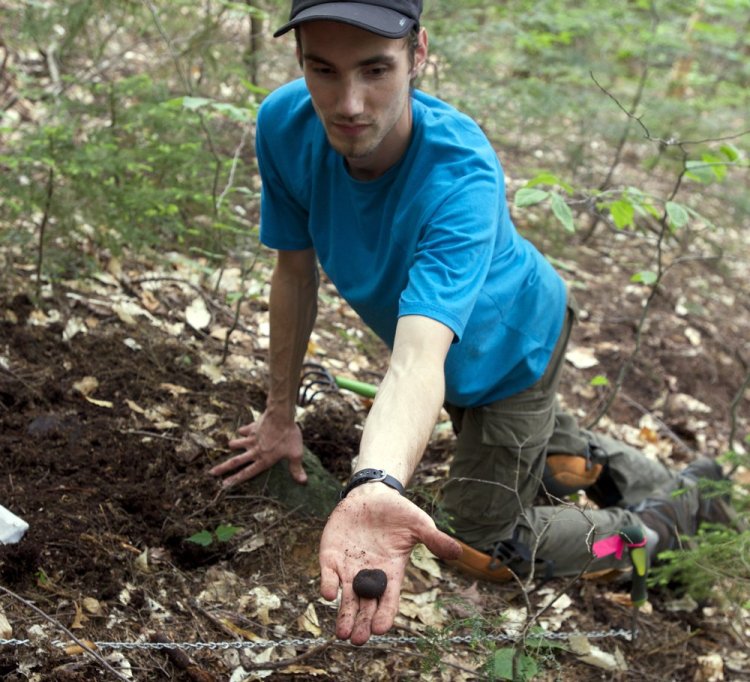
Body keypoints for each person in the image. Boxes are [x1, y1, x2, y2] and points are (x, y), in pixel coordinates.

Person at [209, 0, 732, 645]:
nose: (348, 103)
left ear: (418, 54)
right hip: (449, 360)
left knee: (487, 546)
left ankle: (642, 536)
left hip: (514, 345)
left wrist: (374, 483)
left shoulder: (458, 173)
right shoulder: (284, 126)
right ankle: (639, 476)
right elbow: (294, 272)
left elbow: (416, 359)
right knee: (552, 466)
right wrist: (279, 413)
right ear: (299, 61)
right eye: (323, 69)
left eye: (376, 70)